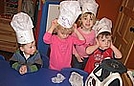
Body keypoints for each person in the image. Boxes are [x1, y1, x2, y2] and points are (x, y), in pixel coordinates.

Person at [43, 1, 85, 71]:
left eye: (68, 33)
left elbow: (82, 41)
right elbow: (45, 39)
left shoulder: (71, 39)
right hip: (53, 67)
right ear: (57, 30)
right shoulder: (53, 39)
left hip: (66, 67)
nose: (65, 35)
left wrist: (76, 30)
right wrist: (52, 26)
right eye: (62, 33)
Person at [72, 0, 99, 70]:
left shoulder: (94, 33)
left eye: (91, 19)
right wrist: (77, 55)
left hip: (89, 58)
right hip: (77, 56)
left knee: (86, 72)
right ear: (81, 20)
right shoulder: (76, 31)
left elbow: (95, 44)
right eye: (85, 18)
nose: (88, 21)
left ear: (94, 22)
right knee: (76, 71)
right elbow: (70, 44)